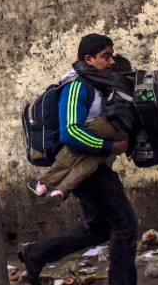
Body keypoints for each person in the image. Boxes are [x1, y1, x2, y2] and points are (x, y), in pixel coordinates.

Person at [19, 34, 138, 285]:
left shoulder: (99, 84)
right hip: (83, 168)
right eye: (105, 56)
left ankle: (36, 254)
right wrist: (110, 146)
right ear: (88, 59)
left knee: (100, 228)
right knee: (124, 226)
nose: (111, 60)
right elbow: (70, 132)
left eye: (112, 55)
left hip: (93, 164)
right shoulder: (77, 86)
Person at [27, 55, 136, 204]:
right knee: (91, 161)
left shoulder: (102, 79)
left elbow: (70, 133)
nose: (108, 61)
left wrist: (80, 64)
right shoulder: (131, 82)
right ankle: (62, 189)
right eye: (106, 56)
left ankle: (45, 183)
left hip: (108, 123)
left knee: (75, 146)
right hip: (124, 132)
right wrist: (110, 147)